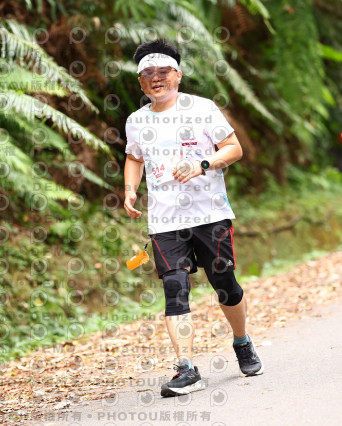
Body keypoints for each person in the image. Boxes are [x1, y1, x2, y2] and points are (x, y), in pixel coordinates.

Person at [123, 39, 263, 397]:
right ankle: (186, 368)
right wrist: (129, 190)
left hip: (210, 213)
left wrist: (203, 164)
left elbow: (233, 149)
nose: (156, 78)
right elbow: (135, 158)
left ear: (178, 75)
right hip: (165, 221)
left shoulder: (202, 109)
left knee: (224, 283)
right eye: (148, 73)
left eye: (163, 71)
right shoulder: (136, 121)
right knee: (174, 287)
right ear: (140, 81)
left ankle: (242, 341)